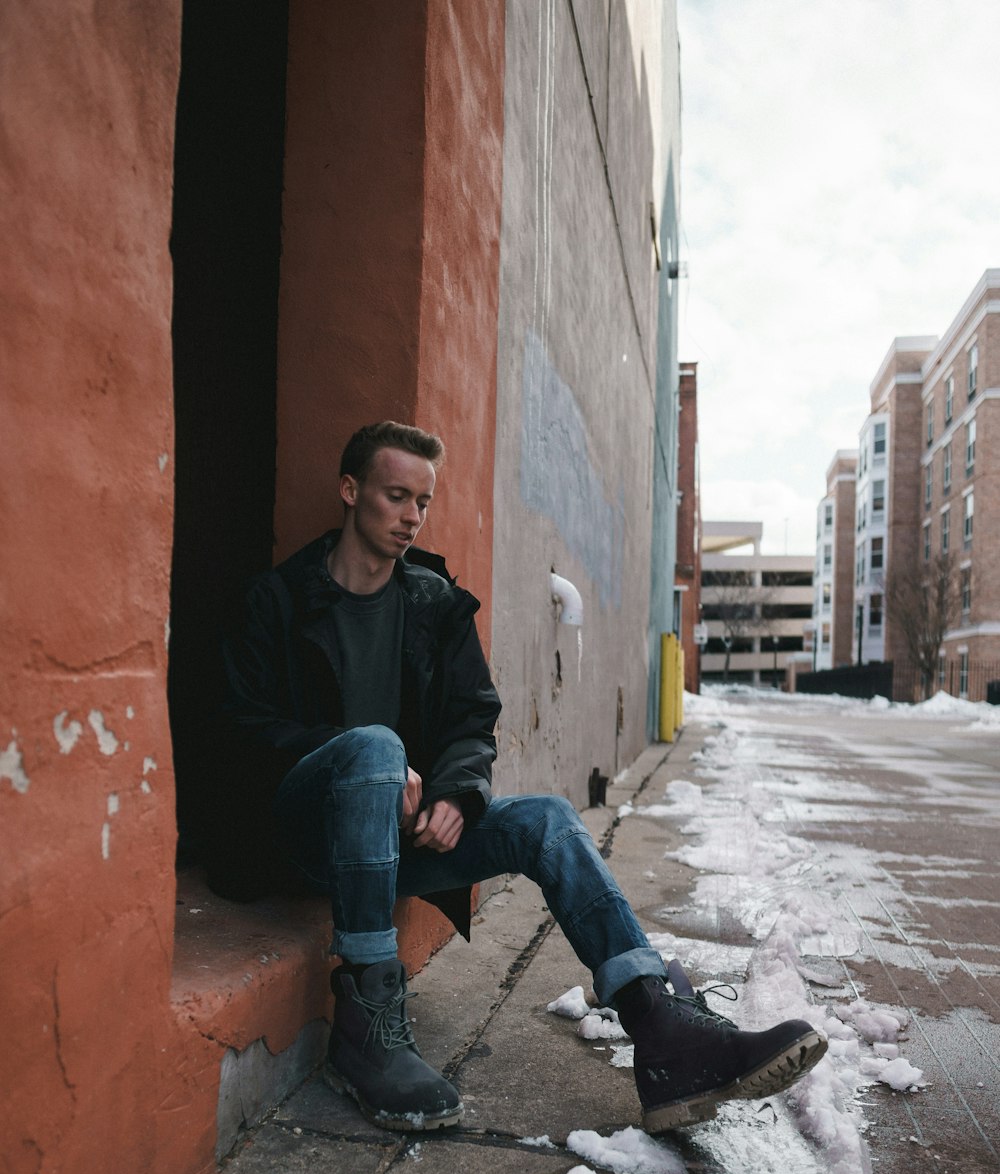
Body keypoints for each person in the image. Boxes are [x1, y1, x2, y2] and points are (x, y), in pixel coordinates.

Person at [221, 421, 827, 1135]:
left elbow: (473, 718)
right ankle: (367, 1021)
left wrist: (454, 792)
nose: (412, 516)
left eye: (423, 501)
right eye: (396, 496)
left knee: (544, 818)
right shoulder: (279, 601)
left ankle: (659, 1027)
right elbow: (245, 735)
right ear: (351, 492)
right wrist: (370, 762)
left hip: (402, 839)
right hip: (307, 832)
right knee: (373, 748)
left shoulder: (432, 602)